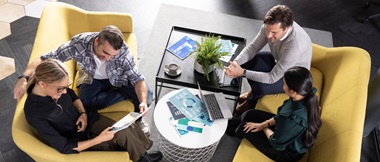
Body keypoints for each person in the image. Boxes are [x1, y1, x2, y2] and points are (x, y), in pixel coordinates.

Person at [14, 25, 152, 135]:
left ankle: (139, 120)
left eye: (113, 55)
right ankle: (125, 94)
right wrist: (24, 77)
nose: (109, 58)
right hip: (92, 79)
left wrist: (143, 102)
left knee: (148, 96)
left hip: (120, 79)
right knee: (85, 103)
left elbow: (138, 79)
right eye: (105, 53)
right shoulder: (79, 44)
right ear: (97, 40)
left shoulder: (123, 52)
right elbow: (45, 58)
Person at [24, 59, 162, 162]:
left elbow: (72, 95)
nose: (64, 91)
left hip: (88, 119)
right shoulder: (34, 113)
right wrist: (99, 139)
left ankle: (143, 156)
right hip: (78, 139)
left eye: (66, 86)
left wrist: (82, 113)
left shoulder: (58, 89)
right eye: (61, 89)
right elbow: (65, 147)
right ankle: (142, 159)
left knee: (125, 126)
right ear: (42, 84)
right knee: (120, 137)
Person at [224, 5, 312, 115]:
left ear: (287, 28)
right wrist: (236, 63)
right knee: (249, 61)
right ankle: (252, 93)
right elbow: (253, 47)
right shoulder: (270, 27)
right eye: (267, 30)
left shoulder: (295, 46)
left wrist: (242, 72)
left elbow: (272, 78)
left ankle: (251, 101)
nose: (269, 35)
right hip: (279, 61)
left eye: (274, 33)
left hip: (292, 78)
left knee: (260, 87)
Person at [226, 66, 322, 162]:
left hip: (284, 151)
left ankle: (224, 129)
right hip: (285, 132)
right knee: (249, 114)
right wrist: (264, 124)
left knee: (242, 128)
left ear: (292, 91)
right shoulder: (302, 95)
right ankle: (226, 123)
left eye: (284, 84)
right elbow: (281, 116)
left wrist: (263, 127)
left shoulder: (293, 119)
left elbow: (275, 142)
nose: (282, 85)